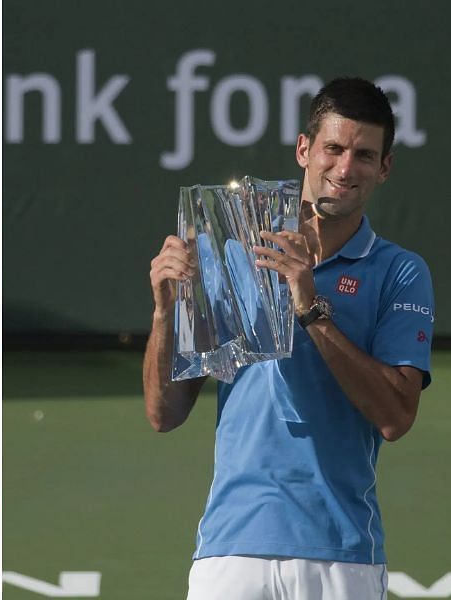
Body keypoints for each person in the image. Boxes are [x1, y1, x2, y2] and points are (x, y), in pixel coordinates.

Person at [143, 78, 434, 600]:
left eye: (365, 155)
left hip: (342, 554)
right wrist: (166, 313)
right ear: (305, 150)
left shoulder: (400, 272)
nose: (346, 169)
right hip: (230, 550)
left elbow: (396, 417)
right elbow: (164, 413)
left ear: (384, 168)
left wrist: (310, 308)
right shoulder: (233, 247)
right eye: (334, 148)